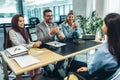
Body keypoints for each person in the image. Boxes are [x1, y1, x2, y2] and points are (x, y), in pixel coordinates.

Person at [67, 13, 120, 80]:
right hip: (104, 73)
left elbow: (93, 67)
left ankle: (68, 77)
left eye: (104, 24)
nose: (102, 26)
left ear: (110, 28)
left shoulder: (103, 50)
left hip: (94, 74)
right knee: (73, 63)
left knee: (72, 64)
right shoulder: (116, 45)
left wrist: (88, 68)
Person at [6, 14, 41, 80]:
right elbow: (18, 45)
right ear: (15, 22)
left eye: (23, 21)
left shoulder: (24, 29)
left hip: (26, 51)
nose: (22, 23)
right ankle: (32, 75)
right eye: (20, 21)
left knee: (37, 60)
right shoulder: (11, 31)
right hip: (17, 53)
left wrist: (36, 43)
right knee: (32, 63)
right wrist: (32, 45)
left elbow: (29, 42)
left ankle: (35, 76)